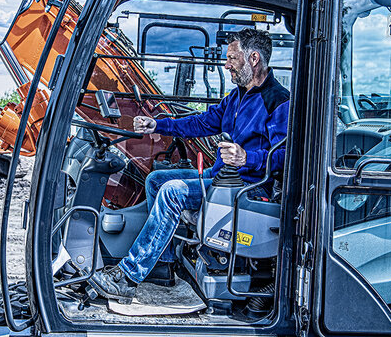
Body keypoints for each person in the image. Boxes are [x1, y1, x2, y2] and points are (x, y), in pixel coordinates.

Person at [89, 28, 290, 302]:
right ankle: (165, 264)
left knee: (173, 191)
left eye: (232, 58)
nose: (226, 64)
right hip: (221, 177)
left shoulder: (278, 101)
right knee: (156, 180)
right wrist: (158, 124)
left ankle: (128, 277)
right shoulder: (237, 96)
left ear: (253, 59)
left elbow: (285, 156)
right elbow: (202, 122)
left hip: (247, 186)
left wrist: (247, 157)